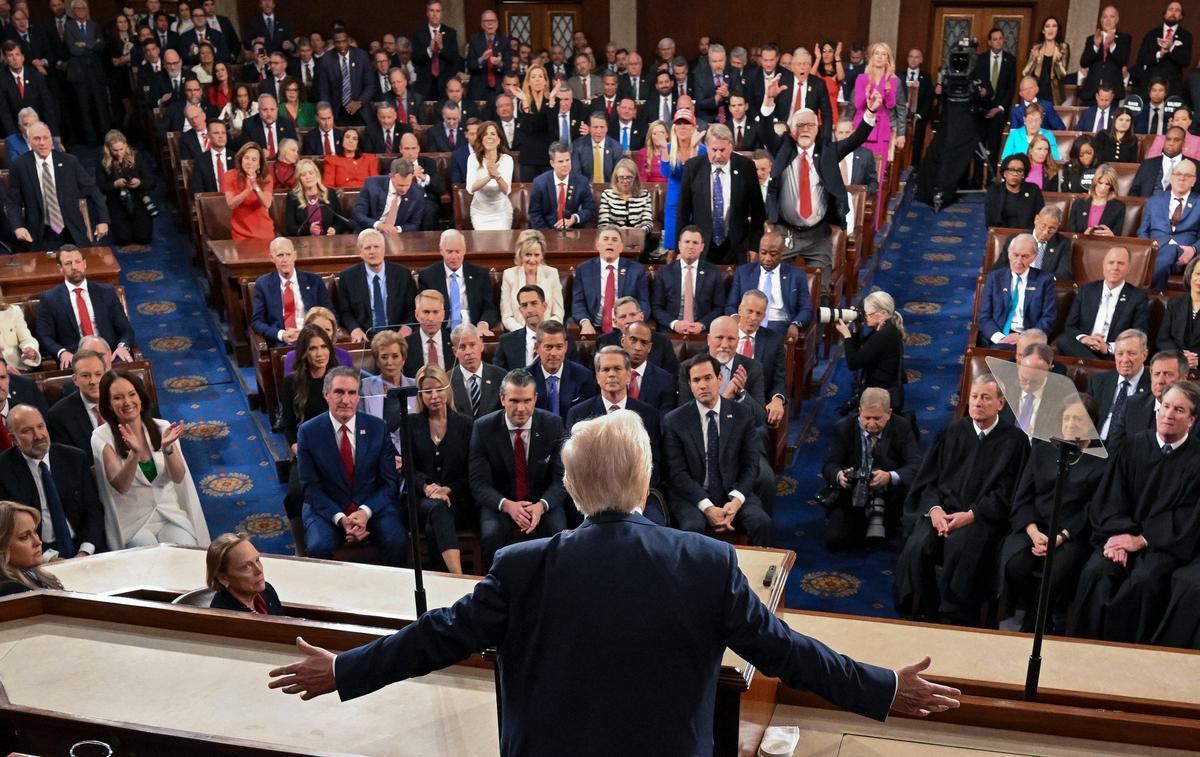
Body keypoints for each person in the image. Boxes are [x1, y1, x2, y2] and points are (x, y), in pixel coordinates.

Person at [269, 409, 960, 753]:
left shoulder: (521, 565)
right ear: (647, 481)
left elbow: (434, 639)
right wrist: (883, 687)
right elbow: (786, 653)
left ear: (569, 487)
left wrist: (345, 669)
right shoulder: (707, 562)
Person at [1069, 380, 1200, 644]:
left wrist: (1141, 540)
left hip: (1163, 546)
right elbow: (1110, 498)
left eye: (1179, 410)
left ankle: (1130, 661)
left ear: (1192, 420)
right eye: (1165, 406)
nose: (1168, 415)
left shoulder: (1196, 459)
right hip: (1119, 536)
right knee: (1096, 572)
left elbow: (1190, 517)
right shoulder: (1131, 447)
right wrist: (1119, 537)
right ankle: (1082, 653)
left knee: (1144, 581)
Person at [895, 373, 1030, 624]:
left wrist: (972, 515)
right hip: (942, 511)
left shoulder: (1015, 442)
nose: (978, 403)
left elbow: (1008, 492)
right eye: (974, 396)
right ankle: (924, 608)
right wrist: (934, 510)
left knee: (962, 547)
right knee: (918, 545)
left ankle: (953, 614)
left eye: (986, 398)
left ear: (1001, 403)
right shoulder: (951, 431)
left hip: (982, 517)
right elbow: (929, 479)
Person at [757, 85, 880, 291]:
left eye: (810, 125)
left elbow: (856, 139)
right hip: (785, 233)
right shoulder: (782, 149)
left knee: (821, 291)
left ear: (818, 128)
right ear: (792, 129)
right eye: (800, 125)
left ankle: (819, 323)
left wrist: (870, 111)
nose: (805, 129)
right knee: (774, 288)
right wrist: (768, 100)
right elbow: (764, 130)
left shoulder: (829, 152)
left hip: (817, 236)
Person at [1002, 395, 1103, 633]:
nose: (1069, 424)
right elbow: (1024, 495)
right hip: (1035, 526)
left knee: (1056, 572)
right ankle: (1032, 610)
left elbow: (1093, 507)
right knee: (1014, 564)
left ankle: (1035, 623)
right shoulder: (1043, 448)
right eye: (1065, 418)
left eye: (1077, 419)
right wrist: (1033, 531)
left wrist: (1063, 536)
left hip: (1072, 533)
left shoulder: (1102, 459)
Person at [296, 367, 408, 567]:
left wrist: (364, 512)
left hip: (372, 505)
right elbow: (310, 488)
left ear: (358, 397)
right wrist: (342, 519)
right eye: (339, 392)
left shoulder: (377, 428)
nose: (346, 400)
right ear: (326, 395)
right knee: (318, 547)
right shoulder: (308, 432)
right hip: (328, 508)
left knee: (397, 541)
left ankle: (393, 594)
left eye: (352, 393)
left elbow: (389, 483)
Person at [93, 370, 209, 550]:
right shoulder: (101, 437)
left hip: (170, 515)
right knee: (149, 558)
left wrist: (168, 449)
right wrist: (134, 454)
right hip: (133, 524)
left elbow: (178, 477)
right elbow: (121, 485)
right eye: (117, 398)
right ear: (108, 404)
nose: (127, 402)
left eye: (132, 394)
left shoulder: (163, 427)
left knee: (186, 552)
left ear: (140, 397)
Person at [663, 353, 771, 545]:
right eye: (696, 380)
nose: (702, 385)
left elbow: (751, 465)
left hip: (732, 493)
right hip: (693, 497)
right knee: (691, 529)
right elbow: (677, 473)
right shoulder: (675, 420)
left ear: (720, 379)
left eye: (708, 378)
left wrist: (736, 501)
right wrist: (707, 507)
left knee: (760, 522)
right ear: (690, 385)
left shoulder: (742, 414)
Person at [468, 368, 567, 569]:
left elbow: (561, 480)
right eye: (514, 401)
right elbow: (478, 483)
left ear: (535, 398)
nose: (521, 408)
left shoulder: (552, 425)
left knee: (557, 532)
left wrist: (541, 506)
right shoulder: (483, 427)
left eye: (527, 401)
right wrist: (508, 506)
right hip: (501, 503)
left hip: (542, 502)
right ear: (502, 399)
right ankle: (493, 590)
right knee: (491, 535)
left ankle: (553, 590)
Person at [822, 388, 923, 551]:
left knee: (907, 541)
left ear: (889, 413)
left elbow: (917, 464)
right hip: (852, 494)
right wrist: (840, 475)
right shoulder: (843, 428)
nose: (871, 424)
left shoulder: (902, 427)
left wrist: (890, 476)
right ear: (859, 411)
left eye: (877, 418)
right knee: (835, 541)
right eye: (866, 418)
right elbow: (829, 465)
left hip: (890, 493)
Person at [0, 404, 104, 559]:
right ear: (13, 439)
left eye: (40, 426)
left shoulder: (74, 458)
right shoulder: (3, 470)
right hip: (35, 553)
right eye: (27, 431)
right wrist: (46, 557)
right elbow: (8, 528)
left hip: (83, 545)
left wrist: (84, 552)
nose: (38, 435)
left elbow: (93, 510)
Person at [405, 363, 473, 575]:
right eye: (427, 391)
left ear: (447, 390)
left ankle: (439, 576)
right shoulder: (410, 423)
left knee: (434, 522)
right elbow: (408, 468)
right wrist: (427, 487)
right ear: (420, 394)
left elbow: (470, 471)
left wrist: (448, 490)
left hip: (457, 499)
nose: (434, 395)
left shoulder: (465, 424)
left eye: (438, 389)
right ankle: (458, 577)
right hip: (419, 500)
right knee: (437, 508)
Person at [5, 122, 108, 251]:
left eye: (46, 138)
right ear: (30, 142)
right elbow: (12, 202)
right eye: (37, 139)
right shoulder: (19, 166)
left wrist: (102, 220)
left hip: (72, 230)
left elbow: (93, 192)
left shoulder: (69, 161)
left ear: (51, 140)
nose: (42, 143)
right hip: (40, 233)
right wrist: (18, 227)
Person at [675, 123, 763, 265]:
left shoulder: (746, 167)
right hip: (702, 247)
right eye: (713, 149)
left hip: (737, 246)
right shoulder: (693, 167)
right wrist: (680, 248)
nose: (718, 155)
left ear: (731, 147)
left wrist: (754, 247)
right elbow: (683, 211)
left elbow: (758, 211)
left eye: (722, 150)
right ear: (707, 147)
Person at [35, 246, 135, 370]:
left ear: (84, 264)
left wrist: (122, 347)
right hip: (75, 358)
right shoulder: (49, 299)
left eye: (78, 262)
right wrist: (61, 352)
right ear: (60, 268)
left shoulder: (106, 292)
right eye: (68, 263)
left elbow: (126, 330)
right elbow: (44, 336)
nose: (74, 267)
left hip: (110, 355)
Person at [1057, 247, 1149, 360]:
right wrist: (1085, 338)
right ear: (1104, 265)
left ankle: (1094, 370)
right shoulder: (1086, 290)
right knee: (1063, 340)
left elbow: (1138, 335)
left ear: (1128, 268)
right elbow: (1070, 326)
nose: (1115, 267)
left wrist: (1108, 347)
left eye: (1121, 263)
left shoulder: (1137, 297)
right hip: (1084, 346)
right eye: (1111, 263)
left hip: (1113, 352)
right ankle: (1100, 371)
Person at [852, 42, 905, 219]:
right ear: (871, 57)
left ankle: (872, 224)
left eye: (884, 54)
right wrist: (868, 93)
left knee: (876, 179)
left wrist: (885, 82)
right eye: (877, 53)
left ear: (888, 59)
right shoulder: (861, 78)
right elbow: (858, 104)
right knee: (856, 176)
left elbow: (890, 104)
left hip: (881, 131)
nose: (880, 57)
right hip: (861, 129)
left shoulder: (893, 81)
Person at [250, 237, 332, 350]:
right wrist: (281, 334)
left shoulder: (314, 281)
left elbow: (329, 314)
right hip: (282, 343)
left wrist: (310, 331)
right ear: (272, 258)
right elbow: (257, 322)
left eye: (288, 254)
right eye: (280, 255)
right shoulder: (263, 284)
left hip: (313, 337)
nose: (285, 259)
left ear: (295, 255)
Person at [335, 229, 416, 343]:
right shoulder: (347, 277)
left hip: (397, 335)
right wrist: (354, 329)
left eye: (376, 247)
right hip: (366, 336)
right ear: (360, 252)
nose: (372, 251)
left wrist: (406, 327)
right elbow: (344, 312)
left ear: (384, 249)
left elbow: (412, 309)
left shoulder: (402, 274)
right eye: (367, 248)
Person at [725, 231, 812, 336]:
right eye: (763, 252)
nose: (767, 259)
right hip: (748, 322)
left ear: (782, 252)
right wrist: (735, 318)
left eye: (773, 254)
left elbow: (806, 309)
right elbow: (731, 304)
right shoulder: (743, 272)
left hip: (780, 324)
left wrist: (795, 325)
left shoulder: (796, 275)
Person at [978, 234, 1057, 348]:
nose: (1019, 261)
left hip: (1028, 340)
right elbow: (984, 316)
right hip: (997, 338)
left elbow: (1048, 318)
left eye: (1025, 256)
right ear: (1009, 253)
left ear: (1034, 257)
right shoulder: (995, 278)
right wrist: (1001, 339)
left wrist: (1024, 338)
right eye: (1015, 255)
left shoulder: (1045, 280)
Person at [570, 225, 650, 335]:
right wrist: (585, 322)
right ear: (598, 245)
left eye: (614, 240)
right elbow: (578, 303)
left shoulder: (636, 270)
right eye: (606, 239)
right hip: (595, 326)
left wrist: (633, 323)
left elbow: (644, 303)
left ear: (621, 247)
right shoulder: (584, 270)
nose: (610, 243)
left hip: (626, 327)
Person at [417, 229, 499, 336]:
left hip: (473, 330)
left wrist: (483, 324)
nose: (454, 257)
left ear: (464, 251)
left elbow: (489, 308)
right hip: (442, 332)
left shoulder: (480, 274)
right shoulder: (428, 276)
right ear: (441, 251)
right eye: (449, 252)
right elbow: (425, 311)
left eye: (458, 251)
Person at [835, 290, 906, 411]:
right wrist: (856, 328)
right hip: (879, 389)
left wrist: (846, 335)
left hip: (879, 396)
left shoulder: (884, 335)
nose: (864, 317)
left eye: (867, 314)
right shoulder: (886, 329)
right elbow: (863, 349)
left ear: (882, 313)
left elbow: (854, 362)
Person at [1107, 350, 1189, 450]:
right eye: (1156, 374)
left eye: (1168, 374)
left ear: (1183, 379)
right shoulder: (1132, 404)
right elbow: (1115, 448)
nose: (1160, 381)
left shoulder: (1194, 411)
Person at [1137, 158, 1200, 289]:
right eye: (1178, 174)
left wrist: (1193, 249)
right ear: (1171, 177)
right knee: (1167, 253)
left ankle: (1141, 292)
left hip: (1184, 257)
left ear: (1194, 181)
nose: (1182, 178)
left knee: (1171, 250)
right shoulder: (1154, 201)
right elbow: (1143, 231)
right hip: (1155, 251)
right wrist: (1147, 251)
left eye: (1187, 175)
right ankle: (1154, 294)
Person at [652, 225, 724, 334]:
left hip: (703, 331)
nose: (690, 246)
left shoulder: (714, 272)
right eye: (687, 242)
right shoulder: (664, 272)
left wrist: (702, 325)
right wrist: (674, 324)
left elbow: (719, 307)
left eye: (695, 243)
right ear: (679, 245)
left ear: (702, 247)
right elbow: (656, 307)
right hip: (670, 330)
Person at [528, 320, 596, 422]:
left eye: (559, 347)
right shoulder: (526, 378)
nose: (554, 353)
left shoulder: (583, 376)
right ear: (537, 347)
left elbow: (587, 418)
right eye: (548, 347)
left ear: (566, 347)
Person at [657, 107, 704, 255]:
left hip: (696, 204)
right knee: (672, 250)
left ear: (693, 127)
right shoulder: (669, 147)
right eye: (679, 123)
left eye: (686, 123)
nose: (682, 126)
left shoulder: (703, 150)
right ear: (674, 127)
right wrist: (664, 149)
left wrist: (693, 149)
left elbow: (693, 176)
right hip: (674, 205)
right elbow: (666, 173)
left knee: (694, 250)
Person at [1090, 329, 1152, 441]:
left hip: (1130, 451)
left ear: (1144, 355)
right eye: (1119, 354)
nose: (1124, 360)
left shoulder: (1154, 387)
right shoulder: (1098, 382)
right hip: (1096, 447)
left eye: (1131, 353)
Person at [98, 129, 155, 249]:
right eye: (115, 150)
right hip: (116, 202)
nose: (119, 153)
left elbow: (151, 181)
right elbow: (100, 186)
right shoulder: (102, 161)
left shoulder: (137, 156)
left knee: (143, 238)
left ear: (125, 145)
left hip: (138, 200)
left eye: (121, 149)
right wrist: (114, 184)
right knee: (123, 239)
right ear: (108, 149)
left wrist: (140, 182)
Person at [46, 348, 104, 463]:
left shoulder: (121, 402)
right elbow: (67, 462)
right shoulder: (59, 416)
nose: (93, 381)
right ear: (75, 380)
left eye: (98, 374)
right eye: (85, 376)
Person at [499, 230, 564, 332]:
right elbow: (507, 317)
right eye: (528, 254)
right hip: (518, 333)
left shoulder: (552, 273)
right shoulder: (509, 275)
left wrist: (543, 332)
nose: (532, 260)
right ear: (520, 254)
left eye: (537, 255)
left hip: (547, 333)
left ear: (542, 255)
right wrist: (525, 333)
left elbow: (558, 314)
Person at [207, 533, 283, 615]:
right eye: (246, 567)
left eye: (257, 560)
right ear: (223, 578)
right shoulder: (224, 619)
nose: (259, 570)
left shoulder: (267, 591)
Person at [528, 140, 597, 230]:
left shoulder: (582, 182)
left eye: (567, 160)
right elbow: (534, 213)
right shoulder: (540, 183)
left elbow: (590, 209)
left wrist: (574, 218)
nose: (565, 164)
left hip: (573, 231)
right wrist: (546, 234)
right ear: (552, 163)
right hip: (548, 231)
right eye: (560, 161)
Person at [0, 501, 64, 595]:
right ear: (2, 545)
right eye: (24, 537)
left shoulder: (36, 574)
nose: (38, 542)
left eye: (35, 532)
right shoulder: (11, 591)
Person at [318, 27, 375, 126]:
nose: (341, 45)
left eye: (344, 41)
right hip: (337, 112)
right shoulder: (326, 60)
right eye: (337, 42)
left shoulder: (362, 56)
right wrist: (328, 114)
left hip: (361, 111)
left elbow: (370, 85)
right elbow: (324, 90)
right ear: (333, 43)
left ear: (348, 40)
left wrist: (359, 102)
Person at [353, 158, 425, 235]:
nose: (404, 190)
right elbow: (358, 214)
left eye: (407, 185)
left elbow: (415, 224)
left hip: (397, 236)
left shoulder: (417, 192)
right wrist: (378, 225)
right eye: (400, 185)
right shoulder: (372, 184)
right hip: (370, 232)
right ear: (391, 176)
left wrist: (396, 229)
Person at [1132, 2, 1191, 97]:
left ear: (1181, 16)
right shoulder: (1151, 34)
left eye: (1177, 10)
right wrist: (1159, 54)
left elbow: (1186, 61)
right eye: (1170, 9)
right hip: (1150, 84)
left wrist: (1171, 47)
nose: (1173, 12)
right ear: (1164, 14)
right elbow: (1141, 59)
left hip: (1173, 86)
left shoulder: (1186, 36)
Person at [0, 40, 56, 138]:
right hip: (15, 132)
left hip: (39, 130)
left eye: (17, 54)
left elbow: (48, 107)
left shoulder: (36, 76)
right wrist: (14, 139)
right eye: (10, 55)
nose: (15, 59)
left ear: (23, 57)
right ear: (5, 59)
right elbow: (4, 112)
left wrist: (54, 134)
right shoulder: (2, 80)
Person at [464, 120, 513, 230]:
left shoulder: (507, 160)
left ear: (499, 139)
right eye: (485, 134)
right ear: (481, 139)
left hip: (502, 212)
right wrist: (489, 177)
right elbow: (470, 188)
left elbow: (507, 190)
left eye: (493, 133)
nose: (489, 137)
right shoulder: (473, 159)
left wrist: (497, 176)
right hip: (480, 213)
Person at [449, 323, 504, 419]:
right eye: (462, 347)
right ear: (455, 352)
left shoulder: (501, 376)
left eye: (472, 345)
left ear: (481, 345)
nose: (468, 352)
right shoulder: (447, 381)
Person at [284, 159, 351, 237]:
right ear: (299, 178)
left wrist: (335, 229)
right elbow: (290, 227)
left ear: (316, 174)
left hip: (329, 242)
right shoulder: (293, 197)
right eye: (303, 175)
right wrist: (308, 230)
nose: (308, 177)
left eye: (311, 173)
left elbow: (340, 221)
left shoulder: (330, 193)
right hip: (306, 242)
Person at [359, 330, 415, 423]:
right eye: (384, 357)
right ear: (377, 361)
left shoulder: (415, 385)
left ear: (403, 359)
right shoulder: (364, 387)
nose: (389, 362)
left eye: (395, 356)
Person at [222, 141, 274, 241]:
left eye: (254, 160)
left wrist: (256, 187)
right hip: (241, 233)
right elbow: (231, 204)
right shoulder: (230, 175)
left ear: (259, 164)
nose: (249, 162)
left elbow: (267, 203)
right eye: (246, 158)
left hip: (264, 232)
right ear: (241, 159)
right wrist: (247, 190)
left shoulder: (266, 178)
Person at [1079, 6, 1131, 103]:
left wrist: (1112, 45)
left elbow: (1123, 61)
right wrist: (1096, 46)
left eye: (1111, 17)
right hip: (1092, 92)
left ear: (1117, 20)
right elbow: (1084, 62)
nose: (1108, 20)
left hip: (1113, 93)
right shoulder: (1092, 39)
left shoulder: (1124, 38)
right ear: (1101, 20)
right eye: (1105, 17)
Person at [511, 64, 553, 181]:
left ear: (545, 81)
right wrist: (525, 103)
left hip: (547, 158)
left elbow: (550, 128)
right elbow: (527, 130)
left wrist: (551, 105)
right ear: (528, 82)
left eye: (540, 76)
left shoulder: (552, 102)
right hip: (529, 158)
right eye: (533, 77)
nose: (537, 79)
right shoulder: (521, 103)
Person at [1157, 256, 1200, 366]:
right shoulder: (1174, 303)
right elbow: (1163, 339)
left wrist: (1196, 359)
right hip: (1174, 365)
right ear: (1190, 275)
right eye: (1198, 274)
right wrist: (1180, 357)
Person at [985, 154, 1044, 229]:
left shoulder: (1033, 189)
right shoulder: (994, 191)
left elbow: (1040, 216)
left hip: (1027, 234)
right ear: (1004, 173)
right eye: (1011, 170)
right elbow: (990, 222)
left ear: (1023, 174)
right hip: (1002, 234)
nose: (1015, 174)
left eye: (1019, 171)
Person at [1066, 163, 1125, 236]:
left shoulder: (1119, 207)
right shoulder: (1078, 204)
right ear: (1095, 182)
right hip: (1080, 244)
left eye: (1107, 184)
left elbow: (1118, 234)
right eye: (1100, 183)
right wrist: (1083, 235)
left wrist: (1112, 235)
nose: (1102, 188)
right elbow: (1071, 233)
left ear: (1112, 187)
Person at [404, 290, 454, 375]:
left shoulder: (454, 342)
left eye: (435, 312)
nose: (431, 318)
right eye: (426, 312)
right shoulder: (406, 346)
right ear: (417, 315)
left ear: (443, 315)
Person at [597, 158, 652, 234]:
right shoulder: (607, 195)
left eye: (629, 177)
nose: (625, 181)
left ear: (635, 178)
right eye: (621, 177)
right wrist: (620, 231)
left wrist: (636, 232)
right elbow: (603, 224)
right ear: (616, 178)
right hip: (614, 236)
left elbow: (648, 223)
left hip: (638, 236)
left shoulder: (644, 195)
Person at [1023, 18, 1070, 103]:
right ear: (1043, 30)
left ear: (1058, 30)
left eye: (1054, 26)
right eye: (1047, 26)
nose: (1051, 29)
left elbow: (1062, 75)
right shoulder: (1037, 46)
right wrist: (1033, 60)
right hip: (1036, 91)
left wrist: (1058, 62)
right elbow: (1025, 73)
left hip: (1053, 93)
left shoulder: (1063, 47)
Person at [0, 300, 38, 373]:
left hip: (17, 369)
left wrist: (30, 349)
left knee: (28, 383)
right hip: (4, 370)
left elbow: (27, 339)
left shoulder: (13, 311)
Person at [638, 120, 670, 185]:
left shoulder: (674, 152)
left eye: (661, 133)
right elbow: (642, 180)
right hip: (650, 191)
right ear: (651, 136)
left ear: (667, 135)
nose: (658, 136)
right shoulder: (643, 153)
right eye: (654, 134)